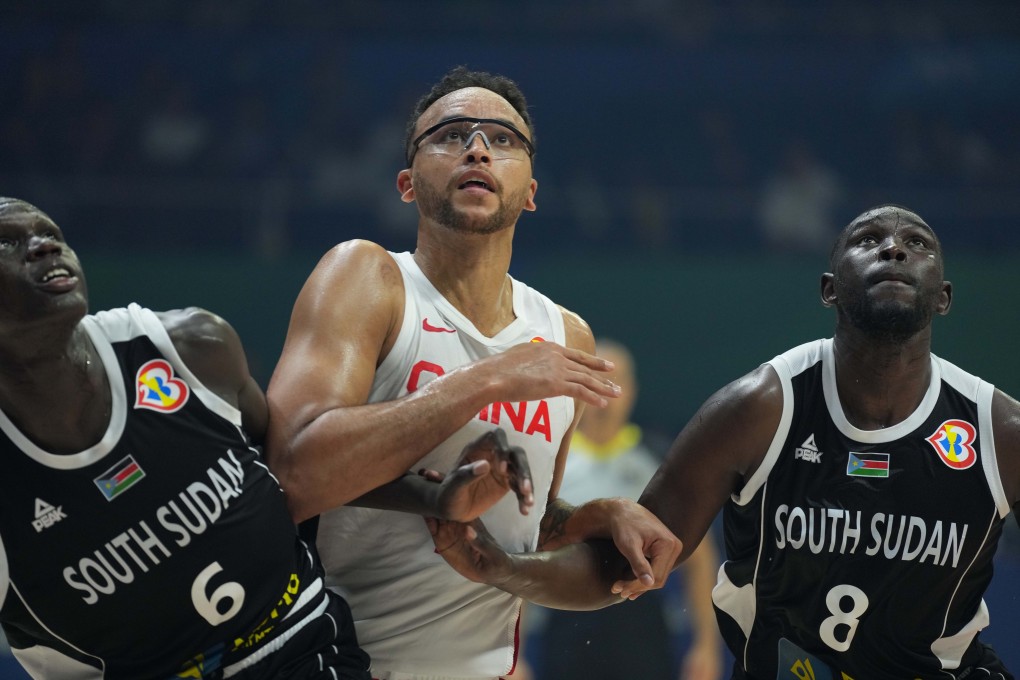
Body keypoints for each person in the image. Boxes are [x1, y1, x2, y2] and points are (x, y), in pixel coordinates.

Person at [430, 205, 1020, 679]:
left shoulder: (999, 431)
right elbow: (628, 564)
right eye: (868, 240)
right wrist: (500, 567)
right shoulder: (758, 409)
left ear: (943, 295)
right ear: (829, 290)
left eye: (915, 244)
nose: (893, 249)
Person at [264, 66, 681, 680]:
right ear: (407, 183)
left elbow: (524, 523)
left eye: (503, 139)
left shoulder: (565, 334)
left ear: (531, 190)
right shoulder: (367, 278)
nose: (478, 148)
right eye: (451, 135)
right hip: (333, 664)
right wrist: (487, 379)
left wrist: (593, 516)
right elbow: (289, 475)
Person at [0, 197, 529, 680]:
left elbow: (293, 472)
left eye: (49, 232)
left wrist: (432, 498)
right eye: (8, 241)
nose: (45, 244)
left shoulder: (188, 347)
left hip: (309, 654)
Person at [529, 338, 724, 680]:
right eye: (596, 379)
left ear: (631, 390)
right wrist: (510, 652)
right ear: (576, 388)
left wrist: (706, 645)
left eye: (616, 382)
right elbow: (517, 550)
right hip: (562, 622)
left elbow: (701, 557)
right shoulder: (548, 460)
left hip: (640, 627)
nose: (606, 393)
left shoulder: (661, 459)